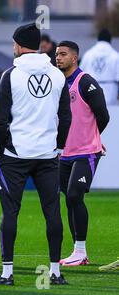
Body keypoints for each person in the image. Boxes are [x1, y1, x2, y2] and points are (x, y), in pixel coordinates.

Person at [0, 23, 72, 286]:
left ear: (19, 44)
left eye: (14, 43)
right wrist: (58, 147)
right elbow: (66, 117)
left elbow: (1, 120)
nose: (12, 47)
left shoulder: (10, 75)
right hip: (47, 155)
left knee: (10, 213)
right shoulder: (58, 75)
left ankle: (7, 273)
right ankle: (55, 272)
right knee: (52, 212)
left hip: (15, 155)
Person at [56, 41, 110, 267]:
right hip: (64, 154)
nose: (58, 58)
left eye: (63, 54)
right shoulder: (56, 83)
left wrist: (93, 138)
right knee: (69, 199)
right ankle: (78, 252)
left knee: (75, 195)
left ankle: (80, 251)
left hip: (86, 152)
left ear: (74, 58)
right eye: (56, 54)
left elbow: (103, 115)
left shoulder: (85, 82)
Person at [80, 29, 119, 106]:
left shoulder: (88, 54)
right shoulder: (115, 56)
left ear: (98, 39)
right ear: (110, 40)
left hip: (91, 91)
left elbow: (80, 75)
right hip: (110, 92)